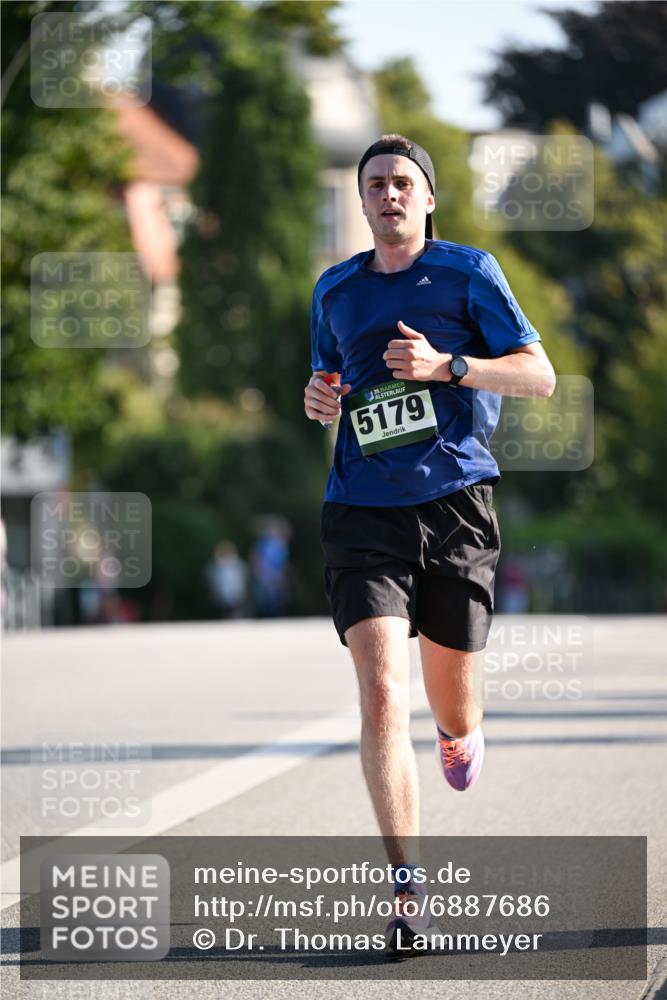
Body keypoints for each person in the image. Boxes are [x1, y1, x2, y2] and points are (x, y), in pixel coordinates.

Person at [303, 134, 556, 952]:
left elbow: (537, 376)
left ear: (427, 197)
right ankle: (408, 895)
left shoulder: (468, 272)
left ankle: (459, 731)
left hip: (453, 505)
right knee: (381, 690)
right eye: (374, 183)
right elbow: (328, 381)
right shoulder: (333, 288)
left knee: (451, 705)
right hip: (360, 508)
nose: (388, 194)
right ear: (363, 198)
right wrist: (318, 396)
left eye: (402, 183)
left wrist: (449, 367)